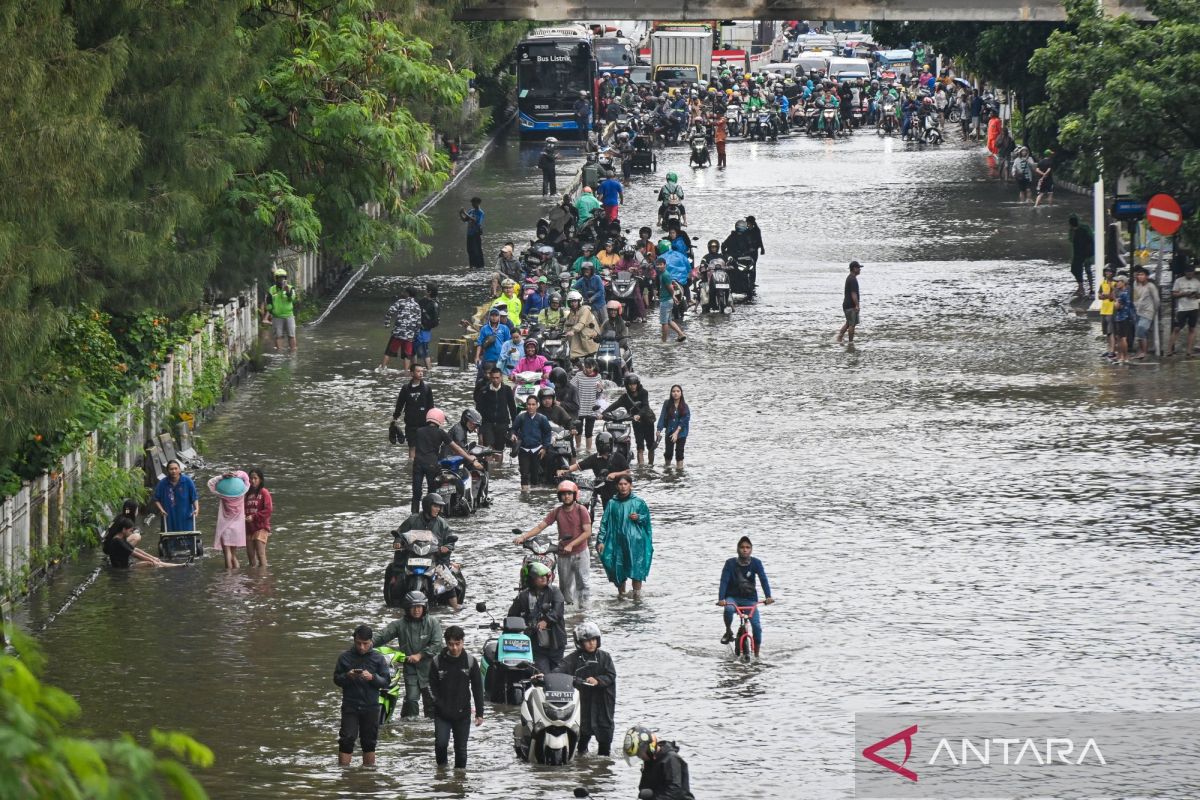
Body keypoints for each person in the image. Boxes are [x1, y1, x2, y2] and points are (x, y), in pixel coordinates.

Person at [514, 479, 592, 605]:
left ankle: (583, 610)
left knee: (583, 583)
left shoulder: (581, 510)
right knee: (564, 586)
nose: (566, 496)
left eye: (569, 494)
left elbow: (587, 532)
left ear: (574, 495)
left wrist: (571, 544)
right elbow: (541, 527)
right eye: (563, 494)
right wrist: (524, 537)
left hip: (580, 552)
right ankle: (569, 608)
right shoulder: (557, 511)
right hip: (563, 553)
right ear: (559, 496)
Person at [373, 591, 443, 718]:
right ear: (407, 608)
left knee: (432, 702)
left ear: (424, 607)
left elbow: (437, 645)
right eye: (413, 607)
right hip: (411, 669)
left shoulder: (433, 622)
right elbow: (382, 636)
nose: (417, 610)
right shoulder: (399, 625)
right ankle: (410, 728)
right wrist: (366, 643)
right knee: (411, 700)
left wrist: (420, 655)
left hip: (431, 669)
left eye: (419, 607)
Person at [552, 622, 616, 755]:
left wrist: (597, 680)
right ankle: (581, 763)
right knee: (581, 741)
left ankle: (602, 770)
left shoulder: (605, 657)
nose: (591, 643)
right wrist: (547, 676)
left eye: (593, 639)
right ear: (580, 643)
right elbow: (560, 670)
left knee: (604, 745)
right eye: (587, 641)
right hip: (583, 705)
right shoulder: (573, 659)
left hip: (603, 705)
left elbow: (611, 675)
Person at [334, 625, 392, 766]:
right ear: (354, 640)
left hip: (371, 706)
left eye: (365, 644)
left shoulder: (378, 659)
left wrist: (372, 678)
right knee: (347, 739)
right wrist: (348, 676)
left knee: (369, 742)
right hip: (350, 705)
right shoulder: (344, 657)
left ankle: (368, 776)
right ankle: (344, 774)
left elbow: (386, 682)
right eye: (358, 643)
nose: (361, 647)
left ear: (371, 642)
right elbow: (336, 679)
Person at [428, 625, 484, 769]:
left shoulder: (470, 661)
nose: (454, 648)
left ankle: (459, 781)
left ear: (462, 642)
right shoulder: (437, 662)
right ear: (446, 644)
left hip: (463, 713)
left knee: (461, 752)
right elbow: (430, 687)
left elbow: (478, 687)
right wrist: (438, 704)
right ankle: (441, 774)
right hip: (442, 713)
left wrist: (479, 713)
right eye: (451, 644)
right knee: (441, 745)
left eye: (457, 644)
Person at [396, 493, 460, 609]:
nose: (438, 509)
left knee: (447, 579)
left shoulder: (441, 523)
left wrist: (447, 547)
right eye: (435, 506)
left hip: (434, 558)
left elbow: (450, 538)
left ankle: (455, 607)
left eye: (439, 507)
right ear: (427, 506)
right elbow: (400, 533)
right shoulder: (413, 519)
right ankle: (394, 603)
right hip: (413, 557)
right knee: (397, 576)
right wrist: (398, 541)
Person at [412, 409, 482, 513]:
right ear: (440, 420)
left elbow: (412, 449)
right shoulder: (441, 433)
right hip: (432, 465)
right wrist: (469, 458)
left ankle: (414, 514)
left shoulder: (418, 431)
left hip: (417, 465)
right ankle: (430, 514)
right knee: (432, 492)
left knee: (416, 492)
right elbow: (457, 448)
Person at [596, 475, 652, 600]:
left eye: (625, 484)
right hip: (617, 542)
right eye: (620, 484)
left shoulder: (639, 502)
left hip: (636, 542)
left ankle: (637, 597)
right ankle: (621, 596)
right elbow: (604, 522)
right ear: (617, 486)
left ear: (630, 485)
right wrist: (601, 540)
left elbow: (647, 521)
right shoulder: (612, 503)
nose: (623, 487)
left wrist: (638, 517)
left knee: (636, 569)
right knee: (618, 568)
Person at [508, 561, 566, 673]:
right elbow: (512, 615)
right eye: (539, 576)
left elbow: (558, 611)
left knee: (558, 674)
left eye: (544, 575)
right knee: (542, 674)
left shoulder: (555, 591)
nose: (543, 578)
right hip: (536, 644)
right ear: (531, 579)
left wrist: (546, 620)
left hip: (556, 642)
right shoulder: (523, 596)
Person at [717, 536, 775, 651]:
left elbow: (763, 579)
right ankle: (728, 631)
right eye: (742, 547)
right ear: (738, 549)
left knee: (757, 627)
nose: (745, 550)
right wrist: (721, 599)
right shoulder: (730, 563)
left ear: (751, 550)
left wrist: (768, 596)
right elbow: (724, 581)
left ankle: (757, 654)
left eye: (748, 547)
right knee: (728, 609)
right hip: (732, 598)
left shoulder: (756, 563)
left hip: (750, 600)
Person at [623, 726, 695, 800]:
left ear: (648, 747)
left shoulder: (671, 759)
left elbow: (674, 791)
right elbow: (644, 787)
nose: (640, 756)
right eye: (638, 755)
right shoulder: (649, 761)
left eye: (640, 753)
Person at [606, 373, 656, 466]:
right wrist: (602, 414)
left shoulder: (644, 392)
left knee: (651, 446)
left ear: (637, 384)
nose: (633, 386)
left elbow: (646, 406)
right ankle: (641, 468)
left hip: (648, 422)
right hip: (636, 424)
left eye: (634, 384)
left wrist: (639, 415)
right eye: (630, 384)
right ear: (627, 385)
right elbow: (614, 405)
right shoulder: (625, 397)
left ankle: (650, 466)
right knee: (640, 447)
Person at [102, 516, 184, 568]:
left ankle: (179, 565)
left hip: (128, 564)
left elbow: (136, 550)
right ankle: (178, 565)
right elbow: (135, 554)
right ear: (124, 529)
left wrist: (153, 557)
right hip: (123, 568)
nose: (131, 533)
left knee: (153, 562)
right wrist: (152, 560)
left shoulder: (120, 538)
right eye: (130, 531)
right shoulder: (117, 541)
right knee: (151, 564)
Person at [391, 364, 434, 462]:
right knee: (412, 447)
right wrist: (395, 418)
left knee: (424, 448)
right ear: (412, 373)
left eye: (422, 371)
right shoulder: (405, 389)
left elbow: (431, 407)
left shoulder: (427, 389)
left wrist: (432, 423)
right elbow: (400, 404)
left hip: (424, 424)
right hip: (410, 424)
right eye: (418, 371)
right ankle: (411, 467)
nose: (421, 373)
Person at [207, 470, 249, 569]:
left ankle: (228, 577)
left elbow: (210, 483)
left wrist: (222, 476)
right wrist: (237, 474)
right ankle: (236, 576)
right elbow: (246, 477)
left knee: (227, 555)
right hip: (238, 528)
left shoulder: (222, 494)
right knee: (234, 556)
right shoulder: (243, 492)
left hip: (225, 528)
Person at [511, 395, 552, 493]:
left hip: (537, 450)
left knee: (535, 475)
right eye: (529, 404)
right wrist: (513, 435)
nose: (530, 407)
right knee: (524, 473)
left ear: (537, 405)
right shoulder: (521, 417)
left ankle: (534, 496)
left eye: (533, 404)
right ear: (526, 405)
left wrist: (545, 448)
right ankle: (524, 494)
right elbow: (513, 429)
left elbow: (547, 433)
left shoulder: (542, 419)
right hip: (524, 449)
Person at [473, 365, 517, 449]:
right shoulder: (484, 391)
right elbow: (479, 409)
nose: (495, 380)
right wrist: (478, 426)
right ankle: (489, 462)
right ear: (490, 378)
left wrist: (514, 427)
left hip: (503, 423)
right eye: (493, 378)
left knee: (499, 449)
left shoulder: (507, 390)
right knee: (488, 447)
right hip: (487, 423)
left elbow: (512, 408)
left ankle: (498, 463)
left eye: (497, 377)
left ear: (501, 378)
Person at [380, 286, 422, 372]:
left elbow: (390, 311)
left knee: (389, 352)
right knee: (407, 355)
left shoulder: (401, 302)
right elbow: (418, 322)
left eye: (404, 291)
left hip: (398, 333)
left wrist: (387, 324)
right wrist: (416, 334)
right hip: (409, 335)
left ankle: (382, 369)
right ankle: (406, 372)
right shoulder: (417, 306)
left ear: (407, 293)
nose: (403, 293)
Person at [153, 460, 198, 533]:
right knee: (169, 537)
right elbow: (156, 499)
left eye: (176, 468)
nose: (174, 471)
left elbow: (194, 498)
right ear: (167, 470)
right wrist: (161, 510)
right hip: (169, 516)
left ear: (179, 470)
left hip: (185, 516)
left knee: (187, 536)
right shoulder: (162, 484)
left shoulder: (188, 481)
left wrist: (196, 509)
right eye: (171, 469)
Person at [571, 358, 605, 450]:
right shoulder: (579, 375)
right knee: (578, 430)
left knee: (589, 432)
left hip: (591, 407)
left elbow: (599, 393)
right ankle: (578, 448)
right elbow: (571, 386)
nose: (588, 369)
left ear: (594, 366)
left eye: (590, 367)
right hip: (580, 407)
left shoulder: (598, 376)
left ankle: (588, 450)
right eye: (586, 367)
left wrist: (600, 388)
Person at [262, 267, 299, 353]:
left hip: (289, 316)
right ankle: (279, 353)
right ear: (276, 279)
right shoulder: (272, 289)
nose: (281, 280)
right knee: (278, 336)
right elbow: (269, 303)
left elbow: (293, 299)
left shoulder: (290, 288)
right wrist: (268, 312)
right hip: (276, 317)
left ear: (285, 279)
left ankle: (293, 353)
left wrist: (287, 291)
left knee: (291, 335)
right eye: (279, 278)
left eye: (283, 278)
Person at [1168, 264, 1200, 357]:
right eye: (1188, 272)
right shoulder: (1179, 281)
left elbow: (1199, 295)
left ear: (1193, 272)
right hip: (1182, 308)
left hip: (1194, 307)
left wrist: (1196, 295)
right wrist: (1183, 294)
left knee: (1192, 329)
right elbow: (1174, 294)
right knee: (1177, 328)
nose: (1190, 273)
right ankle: (1169, 350)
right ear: (1185, 272)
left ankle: (1189, 351)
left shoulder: (1197, 282)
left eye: (1191, 272)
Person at [243, 468, 273, 567]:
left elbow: (268, 510)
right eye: (251, 479)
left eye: (255, 478)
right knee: (251, 557)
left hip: (261, 527)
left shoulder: (264, 492)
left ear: (260, 479)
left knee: (261, 555)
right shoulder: (246, 494)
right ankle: (253, 579)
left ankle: (263, 579)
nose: (253, 481)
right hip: (249, 528)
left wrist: (254, 517)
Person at [656, 385, 689, 469]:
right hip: (669, 430)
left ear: (681, 393)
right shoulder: (667, 403)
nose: (676, 393)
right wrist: (659, 429)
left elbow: (685, 419)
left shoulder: (685, 406)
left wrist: (677, 432)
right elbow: (662, 415)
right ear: (671, 393)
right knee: (668, 453)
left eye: (678, 391)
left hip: (681, 432)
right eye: (673, 391)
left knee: (679, 452)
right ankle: (667, 469)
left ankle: (679, 471)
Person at [656, 258, 687, 344]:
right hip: (667, 299)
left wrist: (672, 296)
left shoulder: (665, 275)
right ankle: (681, 334)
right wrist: (672, 296)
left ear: (665, 265)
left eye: (661, 264)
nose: (659, 266)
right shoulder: (662, 274)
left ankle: (664, 341)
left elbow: (670, 287)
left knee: (664, 322)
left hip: (665, 301)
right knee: (669, 320)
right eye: (657, 264)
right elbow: (669, 288)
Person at [474, 307, 511, 376]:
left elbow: (508, 343)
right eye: (492, 315)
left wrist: (509, 357)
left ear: (499, 317)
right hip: (488, 358)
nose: (494, 317)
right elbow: (479, 343)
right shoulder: (484, 328)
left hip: (501, 358)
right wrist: (477, 357)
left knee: (499, 377)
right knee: (488, 377)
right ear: (489, 317)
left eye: (496, 315)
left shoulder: (504, 328)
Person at [565, 290, 600, 362]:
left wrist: (573, 330)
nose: (573, 303)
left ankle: (590, 370)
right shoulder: (571, 313)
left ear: (579, 301)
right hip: (578, 339)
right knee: (572, 358)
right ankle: (582, 369)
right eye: (571, 302)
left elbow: (581, 323)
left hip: (588, 338)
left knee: (589, 360)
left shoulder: (585, 310)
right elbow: (567, 324)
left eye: (575, 301)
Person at [1132, 267, 1159, 360]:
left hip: (1148, 312)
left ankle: (1144, 352)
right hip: (1138, 311)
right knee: (1138, 333)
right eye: (1139, 275)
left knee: (1142, 329)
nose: (1140, 276)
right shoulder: (1136, 285)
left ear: (1146, 276)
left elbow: (1156, 300)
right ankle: (1140, 351)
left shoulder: (1150, 286)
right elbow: (1135, 297)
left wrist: (1154, 311)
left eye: (1142, 274)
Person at [1068, 215, 1095, 299]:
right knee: (1075, 270)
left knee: (1087, 270)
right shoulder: (1073, 230)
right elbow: (1072, 241)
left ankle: (1090, 288)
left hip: (1087, 253)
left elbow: (1071, 240)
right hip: (1079, 254)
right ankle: (1081, 287)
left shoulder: (1084, 228)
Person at [836, 261, 862, 344]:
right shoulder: (853, 279)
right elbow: (853, 293)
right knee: (852, 325)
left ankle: (839, 338)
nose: (860, 270)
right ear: (854, 269)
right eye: (858, 268)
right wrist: (857, 305)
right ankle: (851, 342)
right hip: (851, 306)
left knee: (848, 323)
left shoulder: (850, 277)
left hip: (846, 305)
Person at [1112, 274, 1134, 365]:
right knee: (1119, 337)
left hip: (1123, 318)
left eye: (1118, 282)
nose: (1117, 283)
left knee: (1122, 338)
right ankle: (1122, 357)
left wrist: (1114, 299)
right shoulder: (1125, 292)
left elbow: (1117, 306)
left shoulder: (1123, 294)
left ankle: (1124, 357)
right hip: (1122, 318)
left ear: (1123, 283)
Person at [416, 284, 440, 369]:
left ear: (429, 292)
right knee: (417, 349)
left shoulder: (432, 304)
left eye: (425, 289)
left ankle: (429, 368)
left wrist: (424, 325)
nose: (424, 290)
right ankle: (417, 368)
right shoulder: (425, 301)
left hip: (424, 330)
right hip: (422, 329)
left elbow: (435, 321)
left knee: (424, 350)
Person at [459, 197, 485, 270]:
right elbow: (465, 220)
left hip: (476, 234)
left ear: (478, 203)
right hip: (469, 234)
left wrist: (464, 213)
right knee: (470, 250)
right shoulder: (471, 211)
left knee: (477, 250)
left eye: (474, 203)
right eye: (472, 203)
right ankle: (472, 265)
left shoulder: (481, 213)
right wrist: (460, 214)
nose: (473, 204)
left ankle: (480, 266)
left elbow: (475, 221)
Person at [1098, 266, 1117, 358]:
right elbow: (1099, 296)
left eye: (1109, 272)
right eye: (1106, 272)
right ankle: (1108, 349)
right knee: (1106, 332)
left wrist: (1106, 296)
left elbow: (1113, 296)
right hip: (1104, 309)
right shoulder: (1103, 283)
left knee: (1111, 331)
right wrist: (1105, 296)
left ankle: (1112, 350)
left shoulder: (1115, 284)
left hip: (1111, 309)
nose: (1108, 273)